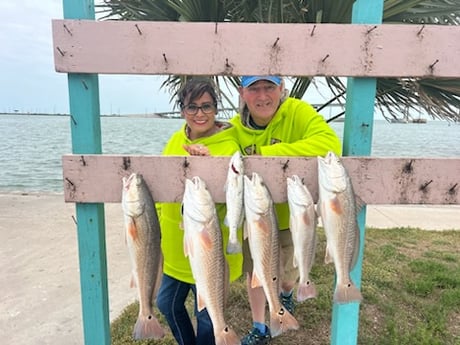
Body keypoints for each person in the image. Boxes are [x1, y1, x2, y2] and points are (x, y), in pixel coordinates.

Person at [230, 75, 342, 345]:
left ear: (282, 88)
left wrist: (271, 154)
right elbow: (221, 152)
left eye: (269, 87)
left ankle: (288, 294)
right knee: (255, 274)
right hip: (255, 222)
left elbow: (331, 146)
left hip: (293, 219)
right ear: (242, 92)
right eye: (254, 88)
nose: (262, 95)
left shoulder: (298, 111)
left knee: (289, 277)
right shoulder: (234, 128)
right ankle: (260, 325)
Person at [155, 78, 243, 345]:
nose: (200, 114)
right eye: (192, 107)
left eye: (206, 106)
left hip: (209, 250)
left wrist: (207, 169)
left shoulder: (229, 147)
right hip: (175, 248)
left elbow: (232, 204)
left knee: (207, 316)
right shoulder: (174, 140)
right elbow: (161, 184)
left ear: (216, 109)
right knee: (166, 303)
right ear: (182, 110)